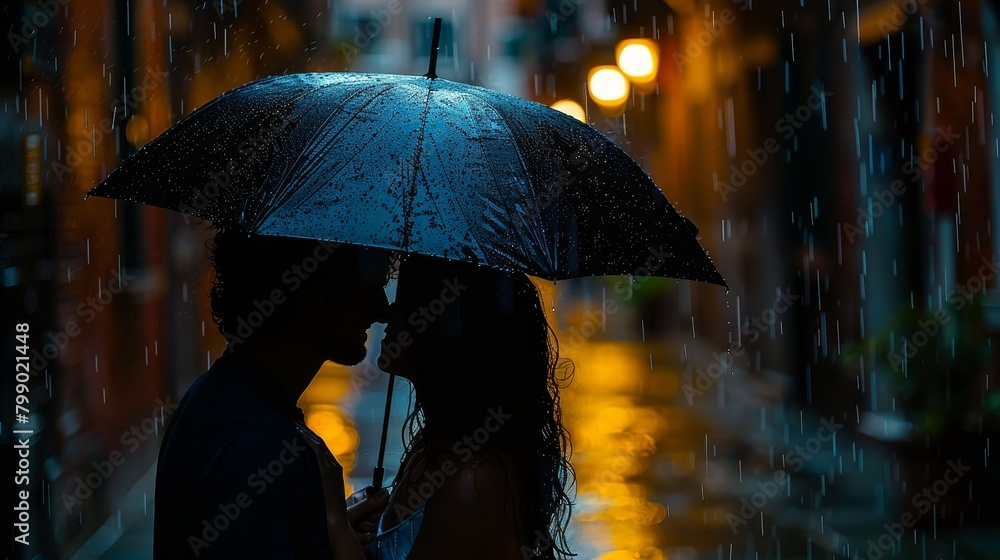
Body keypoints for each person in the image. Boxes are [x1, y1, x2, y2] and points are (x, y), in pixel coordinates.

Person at [153, 229, 392, 560]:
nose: (382, 310)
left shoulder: (217, 397)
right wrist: (340, 538)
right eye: (369, 288)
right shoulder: (264, 447)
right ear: (312, 293)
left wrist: (319, 532)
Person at [372, 254, 575, 560]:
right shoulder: (429, 446)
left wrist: (336, 531)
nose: (388, 313)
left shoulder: (475, 482)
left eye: (407, 299)